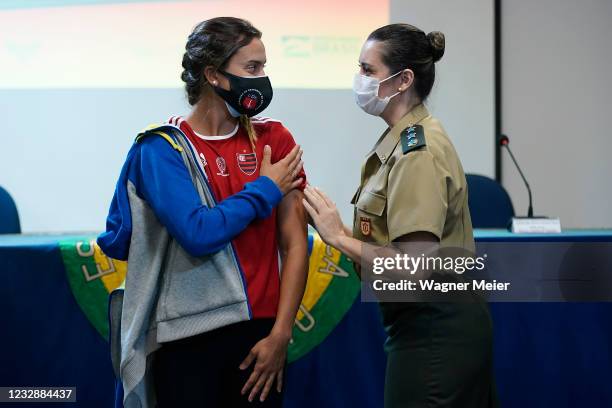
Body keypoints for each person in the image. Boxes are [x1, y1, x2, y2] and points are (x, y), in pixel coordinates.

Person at [98, 17, 308, 407]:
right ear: (213, 74)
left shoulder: (274, 139)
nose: (262, 78)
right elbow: (198, 232)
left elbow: (295, 244)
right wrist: (264, 188)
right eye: (252, 68)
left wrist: (281, 334)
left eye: (264, 67)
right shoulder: (162, 149)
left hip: (261, 336)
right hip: (187, 338)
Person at [303, 23, 498, 407]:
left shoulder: (417, 152)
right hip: (421, 325)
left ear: (403, 80)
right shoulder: (401, 140)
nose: (359, 80)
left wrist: (338, 237)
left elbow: (415, 268)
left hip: (435, 329)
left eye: (368, 70)